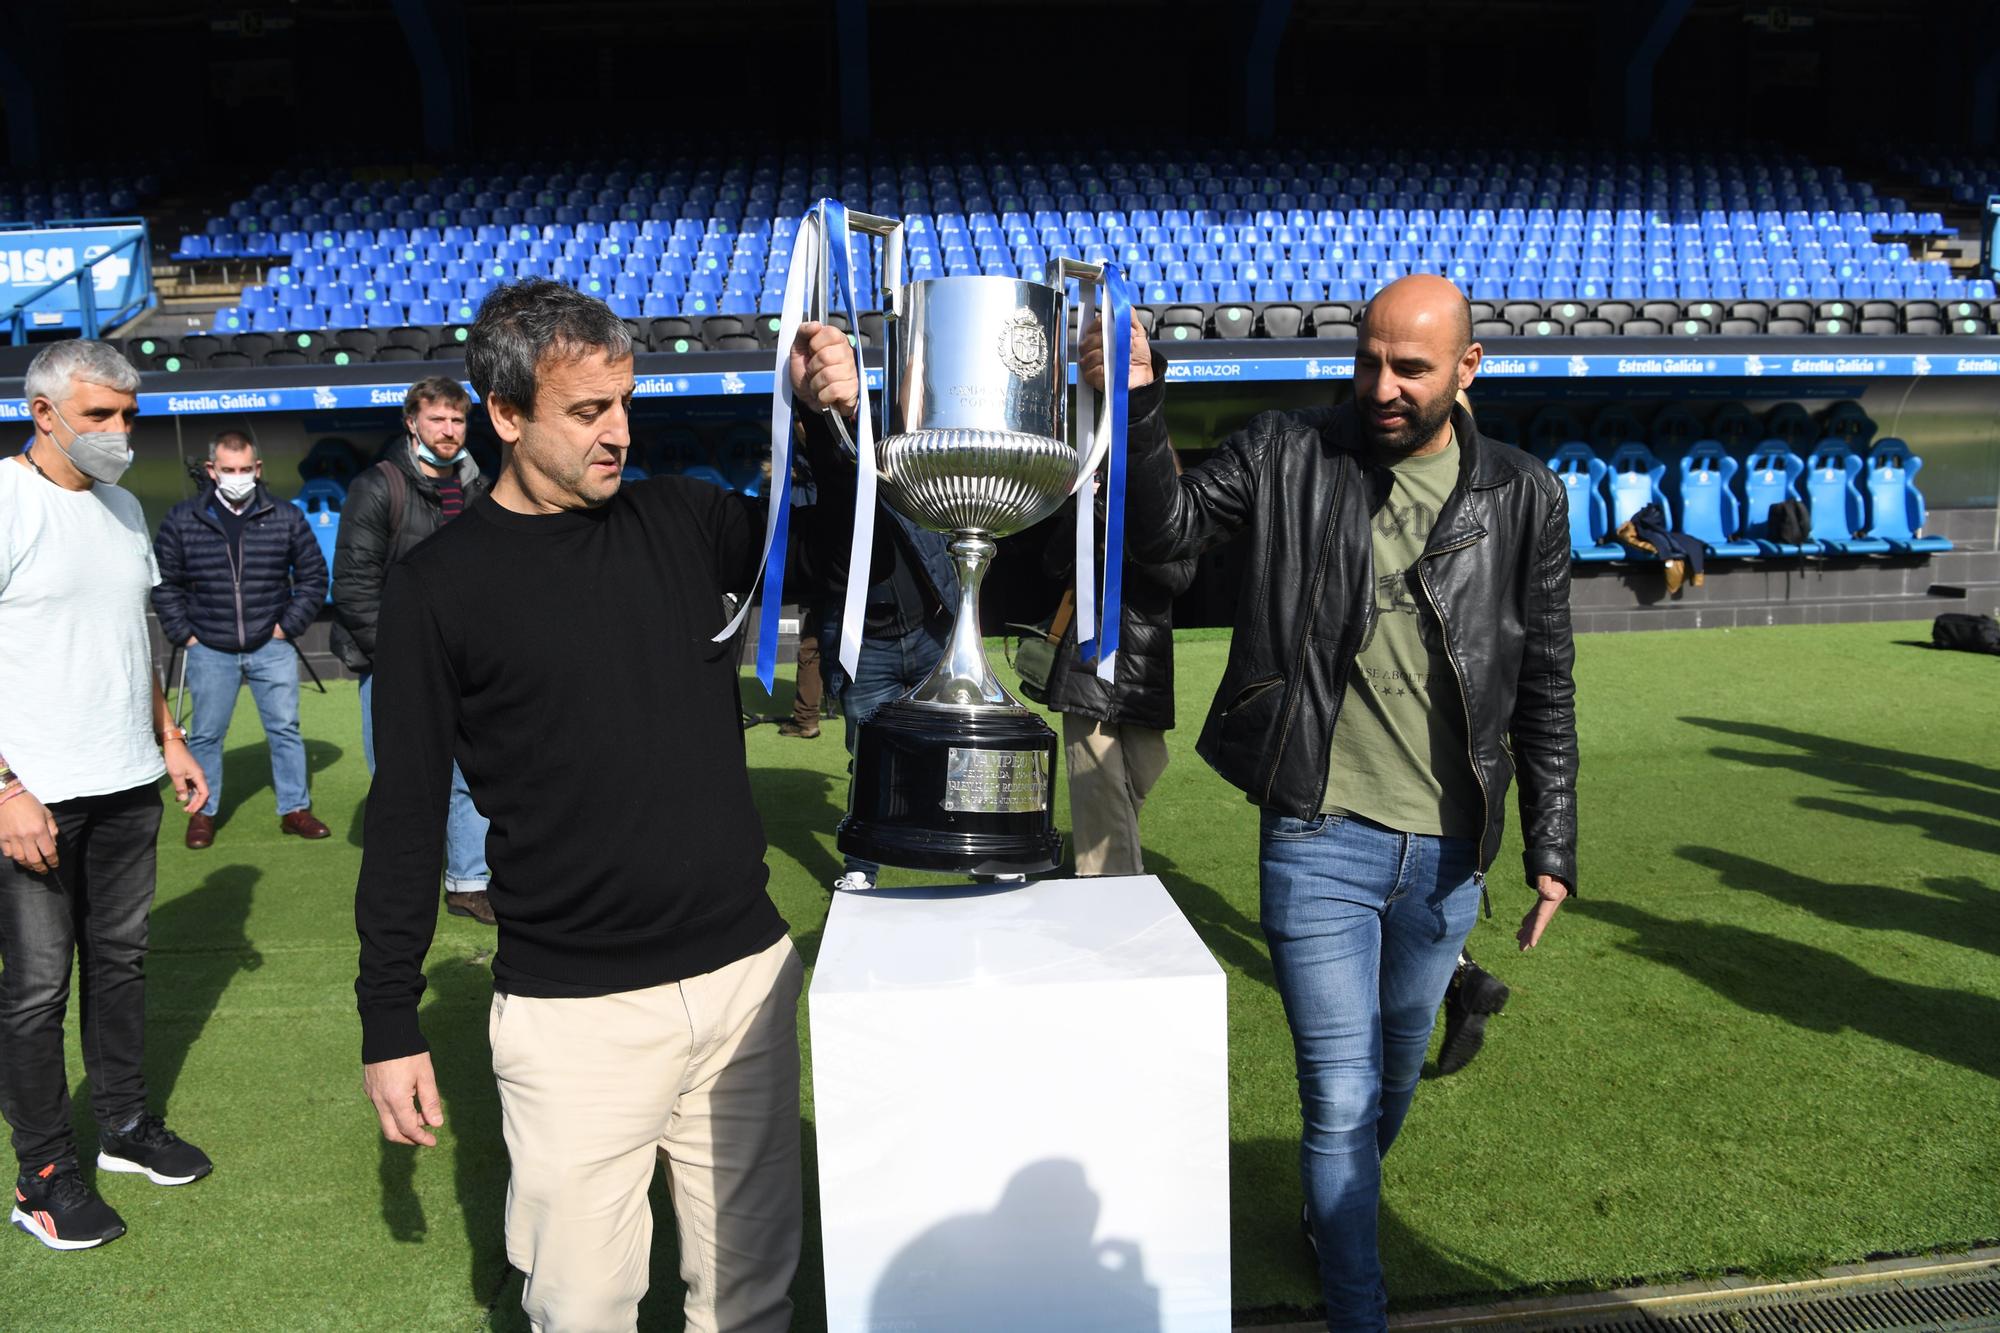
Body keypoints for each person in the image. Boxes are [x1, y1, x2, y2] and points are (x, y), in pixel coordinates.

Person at [1083, 274, 1578, 1331]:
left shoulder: (1525, 495)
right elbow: (1165, 537)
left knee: (1396, 1072)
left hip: (1449, 854)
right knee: (1340, 1096)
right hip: (1316, 834)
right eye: (1368, 361)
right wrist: (1136, 398)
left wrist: (1551, 844)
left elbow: (1543, 680)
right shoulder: (1285, 451)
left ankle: (1329, 1216)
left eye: (1409, 368)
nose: (1382, 387)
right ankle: (1358, 1306)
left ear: (1466, 368)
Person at [356, 281, 801, 1332]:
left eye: (627, 403)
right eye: (588, 411)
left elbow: (831, 554)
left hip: (745, 977)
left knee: (748, 1299)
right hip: (575, 1016)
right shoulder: (437, 586)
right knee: (583, 1307)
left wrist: (824, 418)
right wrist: (388, 1019)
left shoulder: (683, 517)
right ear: (505, 416)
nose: (620, 433)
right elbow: (410, 812)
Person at [0, 340, 214, 1251]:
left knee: (120, 966)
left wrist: (168, 741)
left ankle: (124, 1128)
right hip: (36, 795)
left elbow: (130, 637)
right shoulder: (5, 502)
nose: (119, 432)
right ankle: (45, 1175)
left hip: (128, 784)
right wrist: (5, 786)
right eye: (98, 416)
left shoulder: (125, 505)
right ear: (43, 413)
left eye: (128, 414)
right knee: (37, 992)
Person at [788, 321, 958, 892]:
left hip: (930, 632)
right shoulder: (815, 484)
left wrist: (856, 411)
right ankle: (863, 862)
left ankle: (969, 844)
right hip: (868, 647)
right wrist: (821, 418)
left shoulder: (899, 450)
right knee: (869, 756)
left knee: (951, 747)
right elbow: (841, 476)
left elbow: (868, 459)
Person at [332, 378, 495, 924]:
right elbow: (353, 585)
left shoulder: (479, 487)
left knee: (469, 776)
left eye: (457, 421)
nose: (448, 431)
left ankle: (470, 882)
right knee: (402, 782)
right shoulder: (378, 487)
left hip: (462, 660)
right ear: (412, 423)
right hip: (395, 663)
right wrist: (401, 657)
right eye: (437, 420)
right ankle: (406, 884)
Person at [153, 428, 332, 849]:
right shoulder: (183, 519)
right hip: (209, 647)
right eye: (229, 469)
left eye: (245, 469)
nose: (238, 476)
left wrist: (286, 626)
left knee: (285, 729)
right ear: (212, 470)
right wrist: (186, 635)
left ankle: (294, 808)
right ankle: (204, 813)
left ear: (258, 469)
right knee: (206, 735)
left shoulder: (285, 516)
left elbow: (313, 575)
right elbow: (165, 584)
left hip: (270, 644)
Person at [1040, 494, 1197, 875]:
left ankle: (1103, 860)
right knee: (1099, 783)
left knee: (1147, 765)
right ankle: (1115, 884)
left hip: (1145, 665)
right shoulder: (1089, 506)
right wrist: (1091, 512)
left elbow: (1179, 577)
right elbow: (1052, 564)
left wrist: (1129, 537)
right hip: (1086, 660)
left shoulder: (1176, 507)